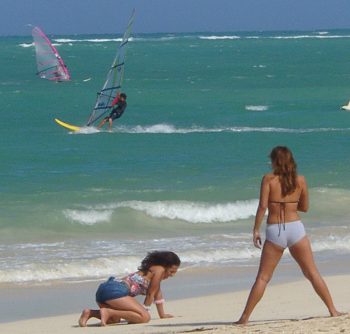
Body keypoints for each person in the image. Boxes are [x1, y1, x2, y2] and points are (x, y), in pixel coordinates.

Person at [235, 146, 343, 325]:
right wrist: (290, 205)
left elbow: (263, 207)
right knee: (312, 272)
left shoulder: (268, 179)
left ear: (274, 161)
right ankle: (333, 310)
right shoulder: (300, 180)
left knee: (263, 277)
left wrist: (255, 229)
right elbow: (305, 207)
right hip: (296, 228)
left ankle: (244, 318)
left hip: (275, 229)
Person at [78, 251, 180, 327]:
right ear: (165, 266)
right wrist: (145, 312)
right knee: (144, 318)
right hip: (116, 289)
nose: (171, 275)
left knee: (114, 320)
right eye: (171, 271)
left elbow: (157, 294)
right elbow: (150, 294)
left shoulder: (152, 272)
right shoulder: (159, 269)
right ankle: (108, 311)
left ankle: (90, 313)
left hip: (104, 290)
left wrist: (162, 315)